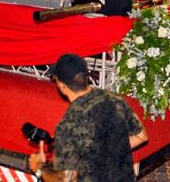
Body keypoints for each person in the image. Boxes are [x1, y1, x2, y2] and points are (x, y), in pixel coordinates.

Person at [28, 54, 147, 182]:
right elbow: (141, 136)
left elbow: (66, 178)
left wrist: (39, 169)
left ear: (62, 86)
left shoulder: (69, 124)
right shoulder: (115, 99)